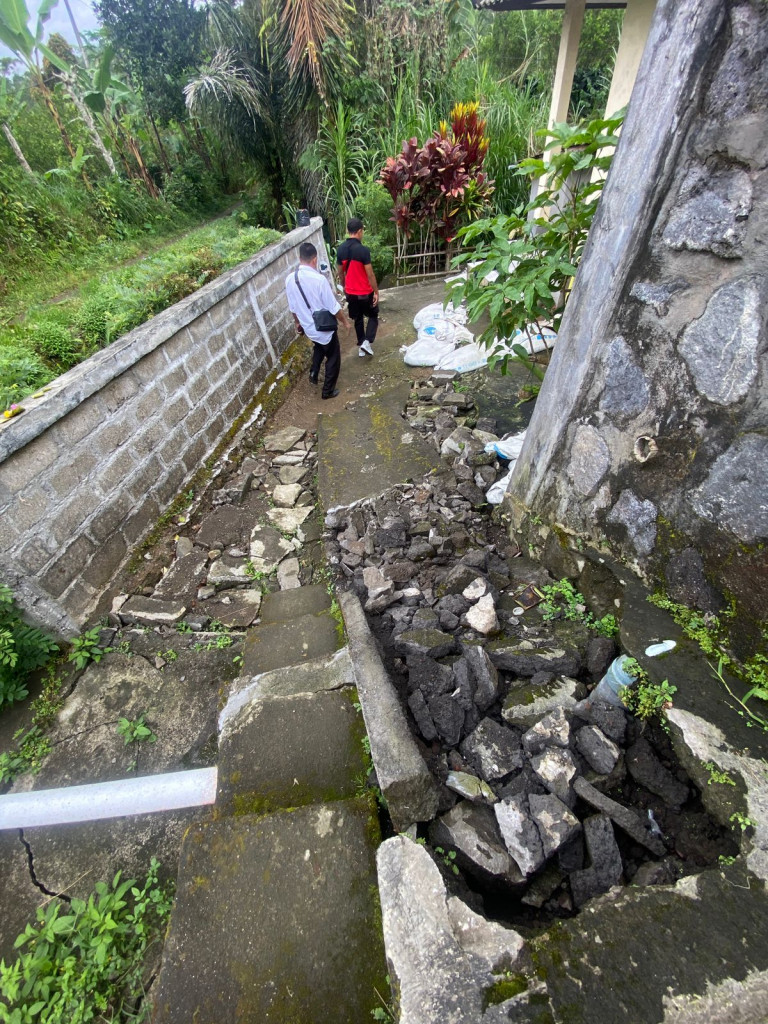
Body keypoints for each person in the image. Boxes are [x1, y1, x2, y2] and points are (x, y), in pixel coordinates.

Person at [285, 241, 351, 400]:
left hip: (308, 326)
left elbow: (293, 307)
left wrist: (297, 322)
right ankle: (327, 391)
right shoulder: (319, 280)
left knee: (319, 346)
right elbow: (333, 307)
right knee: (333, 356)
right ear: (314, 259)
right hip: (324, 327)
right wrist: (345, 322)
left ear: (300, 258)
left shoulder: (290, 279)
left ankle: (314, 372)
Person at [336, 217, 379, 358]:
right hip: (365, 292)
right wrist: (376, 292)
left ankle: (362, 345)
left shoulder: (341, 250)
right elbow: (370, 274)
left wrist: (344, 286)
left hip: (350, 293)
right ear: (360, 231)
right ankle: (366, 342)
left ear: (348, 231)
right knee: (373, 315)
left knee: (358, 318)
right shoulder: (363, 250)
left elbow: (340, 273)